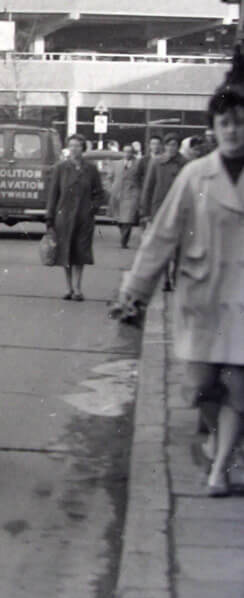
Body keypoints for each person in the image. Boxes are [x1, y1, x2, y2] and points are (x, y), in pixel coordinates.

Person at [113, 48, 244, 497]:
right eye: (225, 122)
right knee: (200, 387)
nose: (232, 130)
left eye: (240, 122)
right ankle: (216, 438)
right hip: (203, 299)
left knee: (239, 390)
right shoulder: (195, 177)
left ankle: (220, 469)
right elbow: (162, 237)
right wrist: (135, 291)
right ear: (214, 128)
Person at [46, 134, 105, 301]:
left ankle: (78, 288)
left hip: (83, 217)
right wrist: (49, 217)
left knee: (80, 251)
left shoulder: (91, 169)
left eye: (78, 146)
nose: (74, 149)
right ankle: (68, 288)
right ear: (67, 148)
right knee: (66, 251)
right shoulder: (61, 168)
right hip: (63, 217)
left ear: (83, 148)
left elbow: (100, 193)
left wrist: (92, 208)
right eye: (71, 145)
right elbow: (53, 194)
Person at [141, 134, 185, 291]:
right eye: (169, 145)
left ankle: (175, 275)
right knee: (163, 246)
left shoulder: (186, 164)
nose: (172, 148)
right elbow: (148, 187)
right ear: (165, 146)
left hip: (181, 210)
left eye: (175, 145)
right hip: (160, 209)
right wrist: (145, 212)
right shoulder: (157, 162)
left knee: (179, 247)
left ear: (178, 147)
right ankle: (166, 278)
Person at [114, 144, 146, 249]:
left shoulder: (138, 164)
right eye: (125, 151)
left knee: (128, 219)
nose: (127, 154)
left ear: (133, 153)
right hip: (119, 194)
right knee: (119, 220)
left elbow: (142, 178)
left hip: (132, 194)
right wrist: (112, 188)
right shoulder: (117, 164)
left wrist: (139, 191)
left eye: (129, 152)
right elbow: (110, 177)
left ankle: (124, 240)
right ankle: (123, 234)